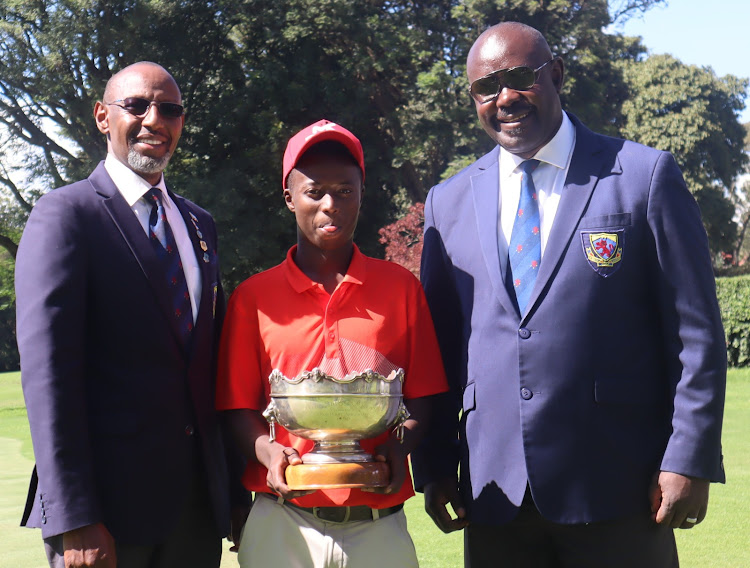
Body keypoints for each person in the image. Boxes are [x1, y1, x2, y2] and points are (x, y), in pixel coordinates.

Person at [411, 22, 727, 567]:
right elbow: (440, 349)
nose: (504, 97)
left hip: (619, 487)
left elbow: (695, 332)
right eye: (487, 87)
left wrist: (689, 458)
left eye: (519, 78)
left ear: (555, 74)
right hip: (495, 495)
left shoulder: (642, 177)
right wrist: (436, 468)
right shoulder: (449, 202)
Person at [16, 61, 246, 568]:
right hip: (106, 518)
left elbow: (210, 368)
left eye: (170, 109)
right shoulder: (65, 215)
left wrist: (230, 490)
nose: (154, 120)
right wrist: (74, 515)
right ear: (103, 116)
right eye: (137, 106)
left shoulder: (199, 225)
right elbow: (49, 377)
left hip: (195, 514)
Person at [216, 119, 448, 567]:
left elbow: (423, 398)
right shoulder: (254, 298)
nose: (330, 205)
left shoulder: (400, 288)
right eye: (315, 191)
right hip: (283, 523)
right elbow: (236, 408)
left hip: (378, 523)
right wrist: (268, 452)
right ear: (289, 197)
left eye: (345, 191)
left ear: (362, 193)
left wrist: (398, 446)